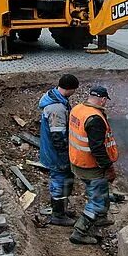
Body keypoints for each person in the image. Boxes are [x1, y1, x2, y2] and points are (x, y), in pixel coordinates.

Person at [68, 86, 119, 245]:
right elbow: (97, 148)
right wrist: (108, 167)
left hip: (77, 161)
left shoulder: (78, 109)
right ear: (103, 99)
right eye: (105, 101)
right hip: (91, 166)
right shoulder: (95, 119)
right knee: (96, 199)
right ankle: (80, 232)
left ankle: (100, 219)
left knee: (98, 192)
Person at [38, 74, 80, 226]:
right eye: (74, 90)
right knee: (59, 180)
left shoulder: (55, 98)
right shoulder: (57, 108)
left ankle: (62, 208)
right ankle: (58, 215)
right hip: (56, 153)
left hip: (53, 150)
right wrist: (65, 154)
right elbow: (58, 135)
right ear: (69, 89)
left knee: (64, 179)